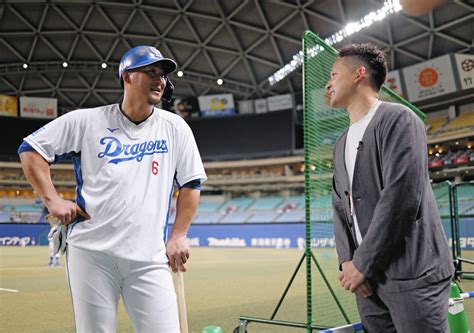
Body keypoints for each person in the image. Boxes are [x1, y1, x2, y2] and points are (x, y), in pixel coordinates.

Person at [18, 45, 206, 333]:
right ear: (128, 77)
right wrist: (52, 199)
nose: (160, 80)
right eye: (151, 72)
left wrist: (179, 234)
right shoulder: (87, 121)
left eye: (163, 75)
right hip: (92, 255)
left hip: (149, 258)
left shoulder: (175, 128)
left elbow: (191, 183)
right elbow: (31, 149)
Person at [327, 43, 453, 331]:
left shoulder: (399, 119)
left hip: (413, 274)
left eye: (334, 74)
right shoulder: (341, 142)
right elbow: (339, 206)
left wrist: (361, 264)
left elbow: (400, 198)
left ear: (359, 74)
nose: (328, 82)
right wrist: (348, 261)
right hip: (369, 281)